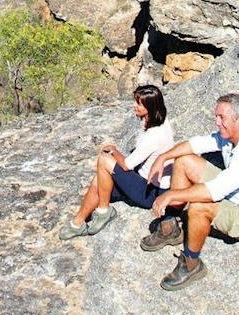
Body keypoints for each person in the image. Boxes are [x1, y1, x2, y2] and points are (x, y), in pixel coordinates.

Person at [136, 92, 239, 288]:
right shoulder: (232, 136)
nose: (217, 122)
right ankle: (170, 227)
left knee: (199, 206)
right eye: (216, 116)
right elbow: (195, 144)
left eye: (222, 118)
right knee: (184, 161)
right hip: (232, 195)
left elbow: (215, 191)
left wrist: (171, 194)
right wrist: (163, 157)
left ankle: (192, 264)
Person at [57, 84, 175, 239]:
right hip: (144, 179)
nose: (135, 106)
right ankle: (77, 223)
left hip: (151, 192)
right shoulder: (155, 119)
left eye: (139, 103)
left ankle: (104, 211)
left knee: (104, 160)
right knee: (100, 179)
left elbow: (126, 165)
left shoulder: (155, 134)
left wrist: (114, 151)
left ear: (150, 106)